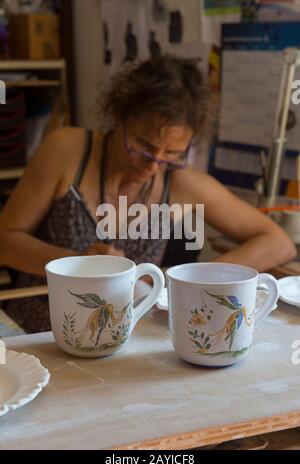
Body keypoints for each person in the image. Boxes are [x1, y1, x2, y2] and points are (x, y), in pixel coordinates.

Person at [0, 55, 296, 333]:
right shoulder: (68, 150)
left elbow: (278, 243)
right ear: (119, 116)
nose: (154, 164)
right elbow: (4, 239)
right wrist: (76, 262)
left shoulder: (181, 182)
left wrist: (195, 280)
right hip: (44, 325)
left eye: (172, 154)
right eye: (143, 146)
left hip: (132, 333)